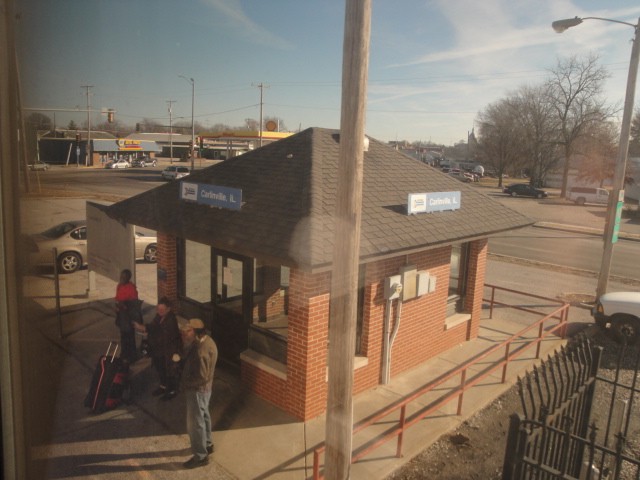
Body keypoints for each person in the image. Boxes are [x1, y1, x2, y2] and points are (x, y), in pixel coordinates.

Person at [179, 318, 218, 469]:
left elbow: (202, 377)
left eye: (188, 331)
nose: (185, 334)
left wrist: (185, 384)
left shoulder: (201, 352)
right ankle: (208, 444)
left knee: (195, 424)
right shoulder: (207, 342)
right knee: (204, 415)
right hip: (206, 390)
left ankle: (200, 456)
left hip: (197, 391)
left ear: (196, 333)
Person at [134, 297, 181, 400]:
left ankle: (171, 391)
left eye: (162, 310)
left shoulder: (171, 321)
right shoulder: (159, 316)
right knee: (160, 369)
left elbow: (162, 336)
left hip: (168, 351)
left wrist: (148, 333)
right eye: (158, 309)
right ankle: (163, 386)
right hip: (159, 350)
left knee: (169, 371)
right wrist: (144, 328)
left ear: (168, 309)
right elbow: (153, 326)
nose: (159, 312)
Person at [114, 269, 140, 364]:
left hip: (128, 317)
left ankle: (130, 356)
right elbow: (117, 298)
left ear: (128, 278)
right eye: (121, 277)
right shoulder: (120, 286)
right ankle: (125, 354)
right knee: (124, 336)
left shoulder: (131, 288)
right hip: (122, 315)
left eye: (124, 277)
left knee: (129, 337)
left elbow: (133, 305)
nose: (121, 279)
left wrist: (123, 305)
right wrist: (117, 306)